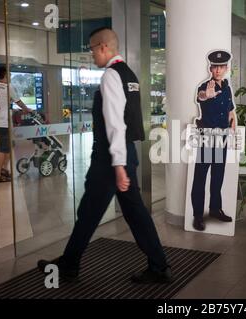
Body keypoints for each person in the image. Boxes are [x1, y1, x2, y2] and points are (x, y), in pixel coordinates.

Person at [37, 27, 172, 284]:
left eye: (91, 49)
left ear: (102, 47)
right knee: (131, 212)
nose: (91, 55)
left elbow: (116, 123)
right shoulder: (128, 74)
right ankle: (158, 265)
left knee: (91, 211)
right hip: (123, 154)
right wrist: (124, 161)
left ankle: (69, 265)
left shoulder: (111, 75)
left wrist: (118, 165)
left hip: (109, 159)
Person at [191, 50, 236, 231]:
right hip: (207, 136)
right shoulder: (205, 86)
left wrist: (232, 123)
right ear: (210, 68)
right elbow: (201, 96)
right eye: (215, 67)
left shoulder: (227, 87)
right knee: (201, 176)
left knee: (218, 175)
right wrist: (206, 95)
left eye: (221, 67)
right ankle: (197, 215)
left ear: (226, 69)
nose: (217, 70)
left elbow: (230, 110)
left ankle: (215, 209)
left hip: (222, 136)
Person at [0, 66, 32, 183]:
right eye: (9, 73)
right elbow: (18, 101)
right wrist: (27, 109)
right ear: (4, 74)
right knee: (2, 149)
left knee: (6, 147)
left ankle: (3, 170)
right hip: (3, 122)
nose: (11, 76)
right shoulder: (8, 87)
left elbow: (2, 103)